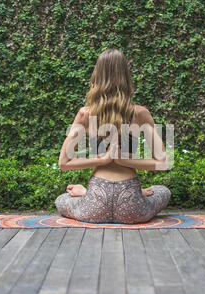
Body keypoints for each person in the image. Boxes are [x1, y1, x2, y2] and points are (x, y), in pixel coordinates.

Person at [55, 49, 171, 224]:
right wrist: (124, 161)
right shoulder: (140, 113)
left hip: (95, 204)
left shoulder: (85, 114)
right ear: (126, 77)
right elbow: (163, 163)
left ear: (97, 76)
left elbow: (64, 163)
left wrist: (103, 160)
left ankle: (85, 193)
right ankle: (137, 194)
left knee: (62, 199)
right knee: (162, 191)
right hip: (131, 205)